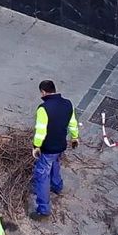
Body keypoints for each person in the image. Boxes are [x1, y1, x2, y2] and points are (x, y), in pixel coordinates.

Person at [30, 80, 79, 220]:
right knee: (55, 164)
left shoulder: (43, 109)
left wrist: (36, 146)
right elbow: (73, 123)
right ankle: (57, 186)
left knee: (42, 175)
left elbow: (41, 131)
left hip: (48, 148)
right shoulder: (68, 103)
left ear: (43, 92)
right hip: (61, 145)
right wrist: (75, 138)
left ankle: (43, 210)